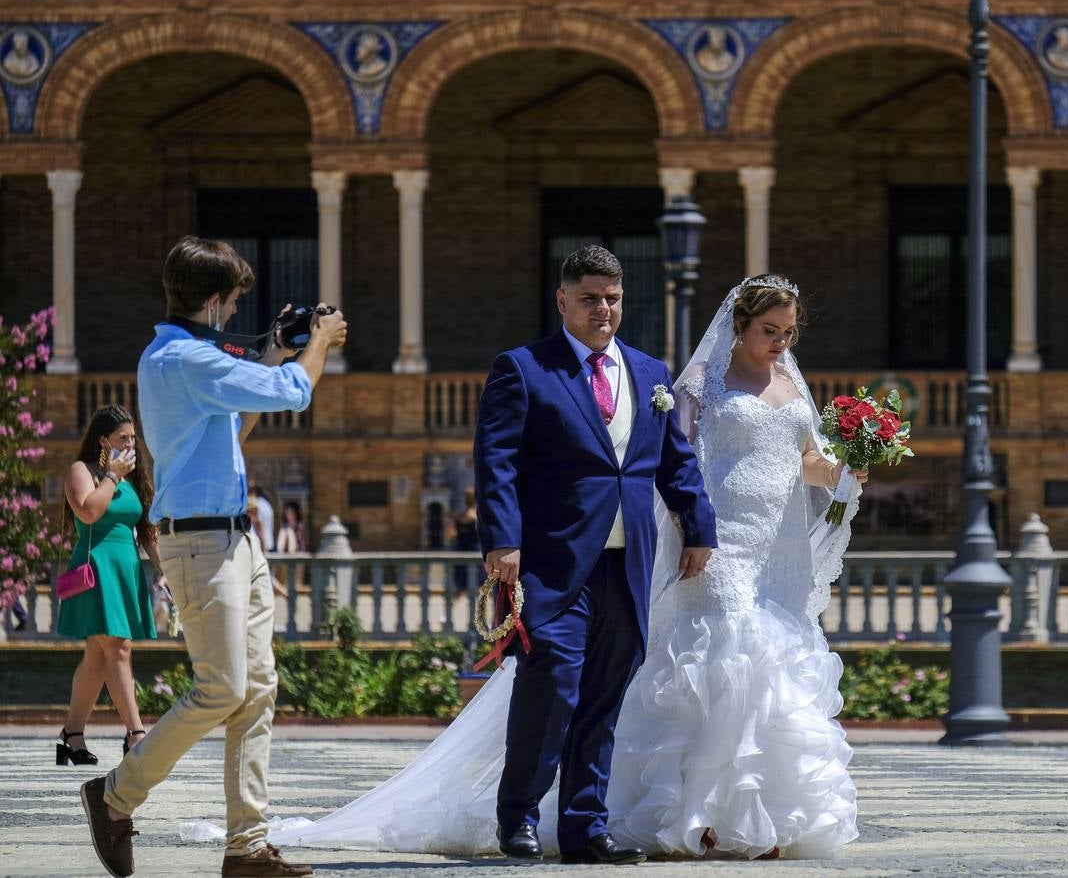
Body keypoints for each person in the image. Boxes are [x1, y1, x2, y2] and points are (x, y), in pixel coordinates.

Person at [251, 244, 718, 863]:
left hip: (628, 562)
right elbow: (496, 461)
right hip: (553, 562)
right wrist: (502, 539)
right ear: (562, 301)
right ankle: (518, 814)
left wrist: (698, 525)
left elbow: (673, 460)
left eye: (611, 297)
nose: (602, 309)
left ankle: (584, 827)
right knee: (550, 682)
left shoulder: (651, 373)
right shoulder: (524, 369)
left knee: (606, 696)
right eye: (589, 298)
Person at [79, 236, 346, 878]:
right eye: (230, 303)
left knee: (256, 690)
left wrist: (278, 349)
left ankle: (246, 847)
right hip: (200, 541)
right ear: (215, 300)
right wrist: (318, 343)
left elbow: (240, 426)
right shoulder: (185, 359)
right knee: (222, 687)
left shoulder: (185, 358)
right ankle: (114, 796)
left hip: (233, 537)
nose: (233, 315)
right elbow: (294, 394)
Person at [605, 275, 864, 859]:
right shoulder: (702, 383)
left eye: (788, 333)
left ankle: (760, 816)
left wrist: (848, 470)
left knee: (773, 664)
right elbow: (674, 464)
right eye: (769, 332)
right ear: (739, 325)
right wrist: (688, 531)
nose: (779, 344)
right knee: (727, 652)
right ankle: (696, 814)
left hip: (781, 549)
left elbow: (808, 464)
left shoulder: (793, 387)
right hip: (718, 541)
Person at [56, 405, 163, 768]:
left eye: (134, 438)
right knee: (118, 647)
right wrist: (113, 477)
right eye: (123, 438)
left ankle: (71, 735)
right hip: (96, 568)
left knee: (98, 657)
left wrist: (167, 573)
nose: (131, 444)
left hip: (125, 568)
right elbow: (88, 512)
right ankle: (136, 734)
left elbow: (148, 531)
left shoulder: (134, 479)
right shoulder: (82, 471)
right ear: (103, 440)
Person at [248, 485, 275, 552]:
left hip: (260, 547)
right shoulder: (266, 504)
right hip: (269, 544)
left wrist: (263, 545)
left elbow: (259, 524)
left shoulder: (255, 504)